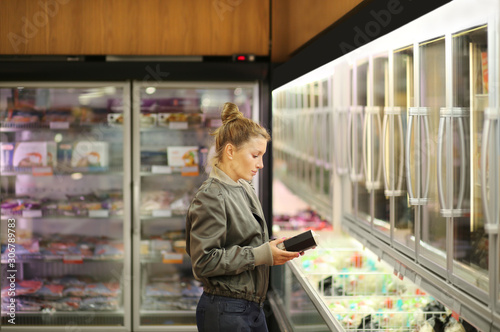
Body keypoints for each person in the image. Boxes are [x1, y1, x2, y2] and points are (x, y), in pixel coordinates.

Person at [186, 102, 301, 332]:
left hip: (251, 308)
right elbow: (203, 262)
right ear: (230, 151)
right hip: (225, 310)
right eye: (255, 155)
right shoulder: (211, 196)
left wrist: (271, 249)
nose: (261, 164)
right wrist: (260, 254)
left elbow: (243, 243)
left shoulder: (244, 186)